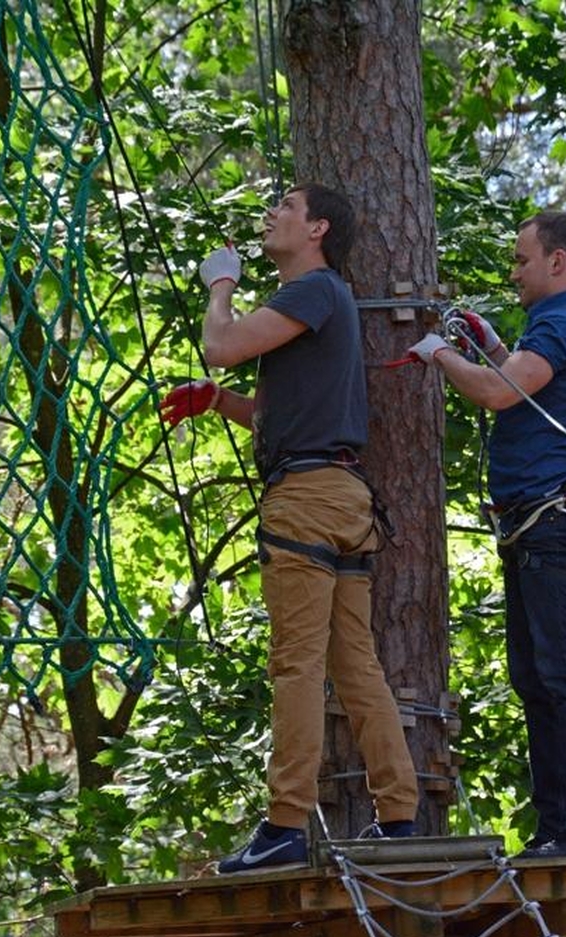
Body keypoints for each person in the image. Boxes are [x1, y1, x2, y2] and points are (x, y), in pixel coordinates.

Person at [159, 183, 419, 872]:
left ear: (317, 229)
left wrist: (220, 285)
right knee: (353, 665)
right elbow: (281, 416)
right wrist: (218, 402)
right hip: (339, 495)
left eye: (285, 208)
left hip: (306, 499)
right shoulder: (321, 305)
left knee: (295, 663)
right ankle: (398, 818)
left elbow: (221, 344)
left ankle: (284, 827)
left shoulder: (309, 291)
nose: (270, 215)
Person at [408, 211, 566, 859]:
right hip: (537, 527)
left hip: (554, 524)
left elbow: (499, 396)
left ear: (558, 262)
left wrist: (439, 352)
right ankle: (558, 829)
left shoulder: (564, 320)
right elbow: (525, 388)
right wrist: (493, 347)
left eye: (521, 260)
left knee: (562, 675)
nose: (513, 272)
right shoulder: (558, 327)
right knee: (536, 677)